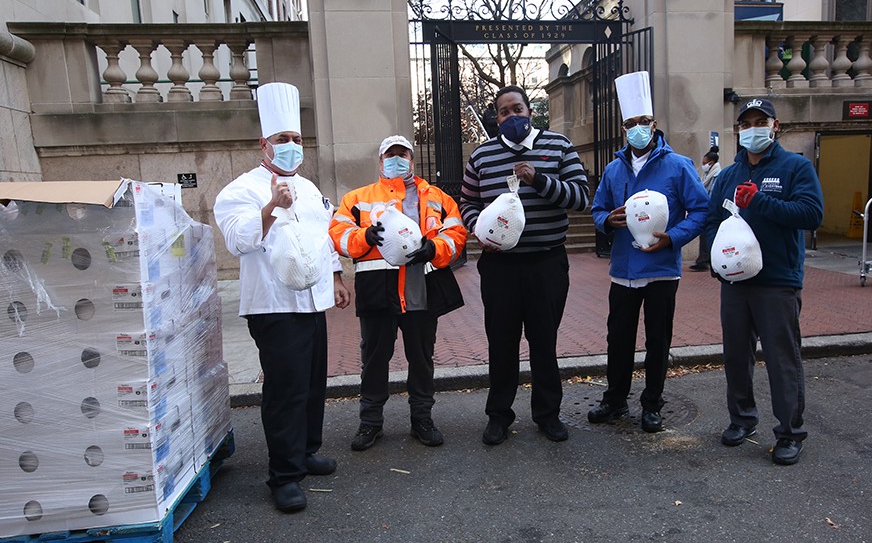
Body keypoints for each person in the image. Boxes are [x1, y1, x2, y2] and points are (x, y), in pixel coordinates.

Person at [213, 82, 351, 513]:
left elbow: (324, 237)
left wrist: (337, 277)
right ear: (264, 144)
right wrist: (270, 207)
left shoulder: (310, 188)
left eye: (295, 140)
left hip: (312, 301)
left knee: (312, 383)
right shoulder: (241, 190)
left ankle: (306, 451)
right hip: (273, 305)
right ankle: (284, 475)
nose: (290, 146)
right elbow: (237, 240)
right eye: (282, 140)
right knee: (286, 390)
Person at [460, 85, 590, 445]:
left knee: (543, 342)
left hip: (546, 263)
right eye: (504, 112)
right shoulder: (482, 156)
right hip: (500, 266)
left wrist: (540, 179)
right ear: (496, 117)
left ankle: (548, 414)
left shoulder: (558, 146)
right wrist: (478, 229)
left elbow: (581, 197)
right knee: (501, 343)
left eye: (517, 109)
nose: (511, 116)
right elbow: (467, 202)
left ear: (529, 111)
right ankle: (499, 415)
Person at [329, 135, 467, 451]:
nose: (396, 160)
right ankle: (370, 423)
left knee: (421, 358)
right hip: (377, 290)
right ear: (380, 162)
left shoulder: (437, 197)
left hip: (421, 288)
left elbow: (456, 233)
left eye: (402, 154)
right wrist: (365, 235)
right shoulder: (357, 198)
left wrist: (434, 247)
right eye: (390, 155)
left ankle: (422, 419)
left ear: (412, 160)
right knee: (374, 359)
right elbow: (338, 235)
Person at [589, 71, 708, 433]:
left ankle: (652, 403)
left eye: (643, 122)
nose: (637, 128)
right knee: (618, 339)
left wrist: (672, 238)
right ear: (624, 128)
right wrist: (607, 221)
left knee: (658, 340)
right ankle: (615, 399)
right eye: (631, 123)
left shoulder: (678, 166)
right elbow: (597, 210)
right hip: (624, 270)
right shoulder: (612, 169)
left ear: (654, 124)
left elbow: (701, 210)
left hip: (661, 269)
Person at [706, 98, 823, 465]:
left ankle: (790, 432)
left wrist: (760, 203)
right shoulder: (727, 175)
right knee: (736, 356)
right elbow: (712, 221)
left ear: (775, 126)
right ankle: (742, 420)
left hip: (776, 281)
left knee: (780, 359)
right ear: (738, 130)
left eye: (761, 121)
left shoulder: (795, 167)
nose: (752, 128)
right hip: (736, 284)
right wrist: (716, 260)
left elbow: (811, 214)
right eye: (746, 123)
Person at [689, 148, 722, 271]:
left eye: (705, 163)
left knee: (708, 236)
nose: (703, 165)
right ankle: (704, 260)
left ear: (711, 163)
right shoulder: (707, 175)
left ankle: (706, 260)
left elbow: (713, 194)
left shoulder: (717, 175)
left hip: (712, 210)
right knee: (704, 236)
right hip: (706, 209)